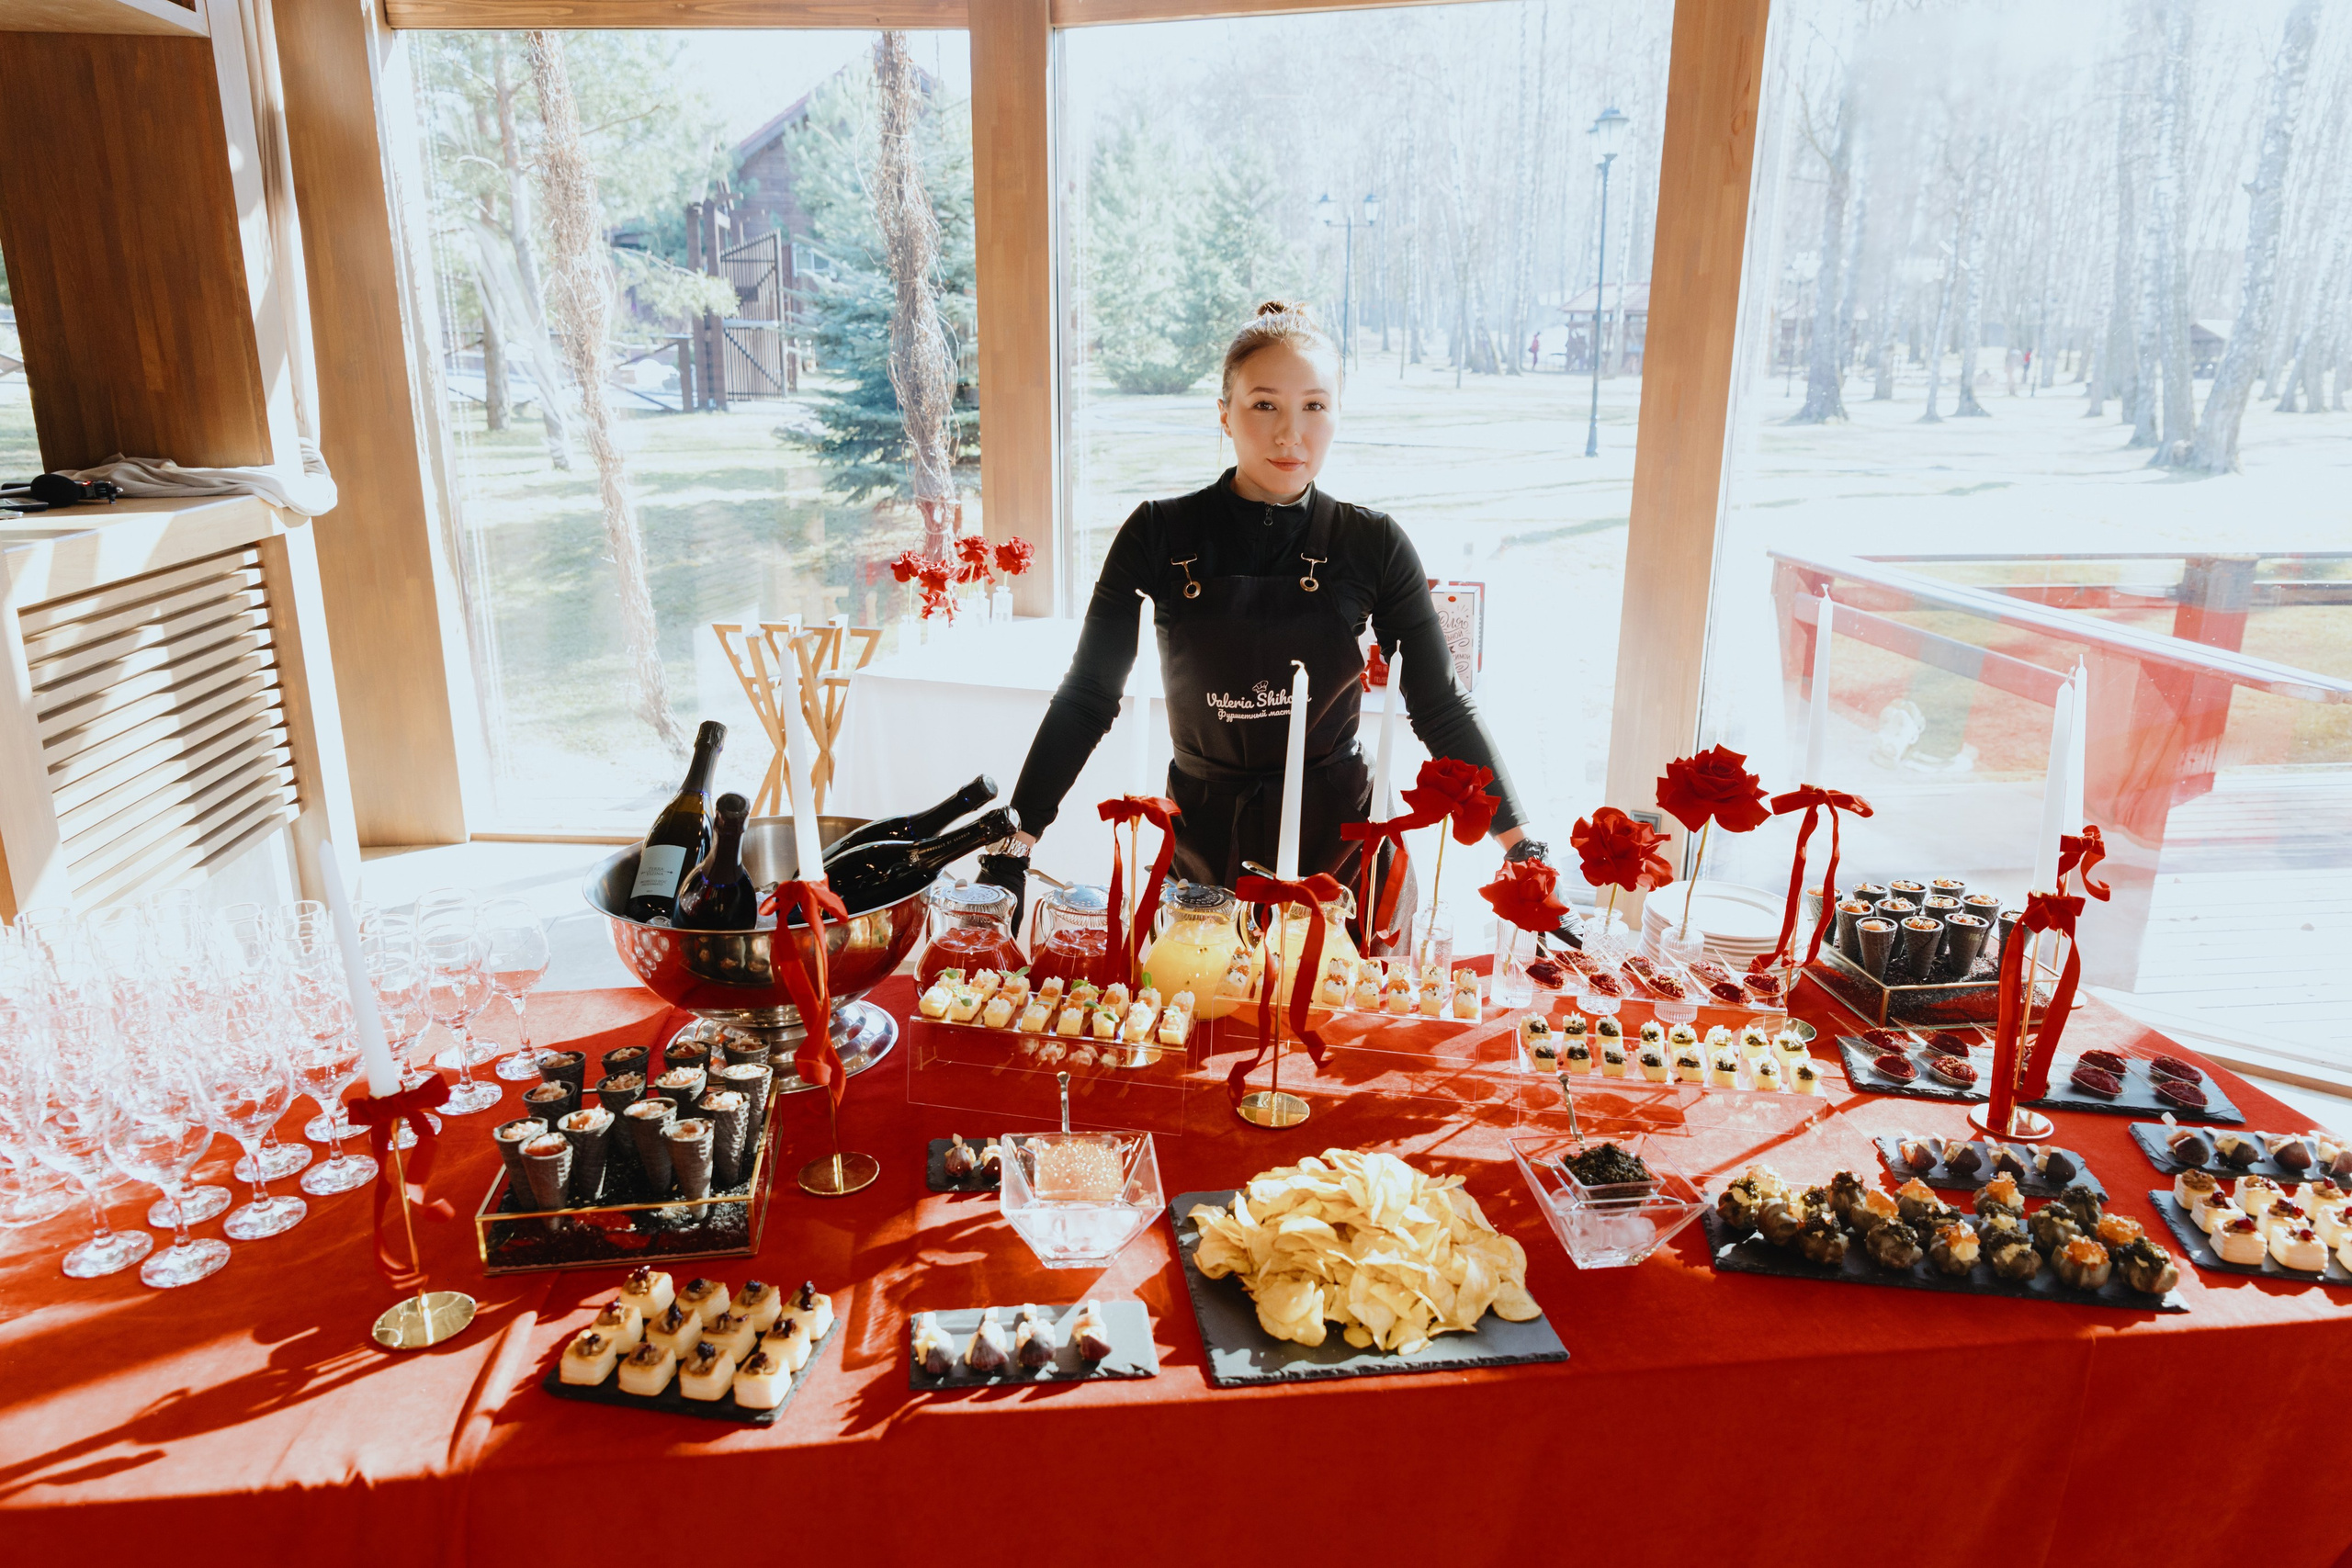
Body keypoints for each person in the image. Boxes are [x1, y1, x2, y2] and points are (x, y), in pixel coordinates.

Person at [991, 301, 1543, 939]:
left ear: (1337, 413)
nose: (1290, 434)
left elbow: (1441, 704)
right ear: (1223, 414)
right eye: (1264, 404)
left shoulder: (1375, 542)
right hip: (1202, 851)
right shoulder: (1157, 532)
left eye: (1314, 405)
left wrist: (1521, 845)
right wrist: (1016, 842)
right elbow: (1088, 697)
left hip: (1342, 861)